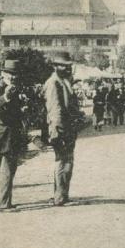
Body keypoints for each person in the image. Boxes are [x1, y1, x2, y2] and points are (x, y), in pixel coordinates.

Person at [44, 52, 84, 207]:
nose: (67, 68)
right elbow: (56, 109)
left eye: (69, 66)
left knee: (67, 162)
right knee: (62, 162)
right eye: (63, 65)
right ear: (55, 66)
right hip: (61, 129)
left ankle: (61, 194)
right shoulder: (54, 83)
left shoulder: (63, 81)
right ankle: (60, 197)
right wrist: (58, 131)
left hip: (68, 128)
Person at [0, 60, 25, 211]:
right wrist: (6, 97)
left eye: (15, 74)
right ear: (3, 74)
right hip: (3, 136)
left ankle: (5, 201)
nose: (13, 77)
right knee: (7, 170)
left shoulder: (13, 88)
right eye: (10, 74)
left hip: (10, 135)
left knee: (9, 169)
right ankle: (2, 203)